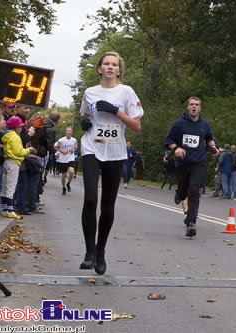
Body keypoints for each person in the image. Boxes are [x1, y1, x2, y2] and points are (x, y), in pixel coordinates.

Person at [78, 51, 143, 275]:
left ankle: (101, 250)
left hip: (115, 151)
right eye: (106, 63)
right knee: (90, 198)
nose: (110, 67)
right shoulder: (89, 92)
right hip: (91, 148)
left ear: (119, 70)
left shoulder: (126, 92)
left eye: (114, 64)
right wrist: (83, 122)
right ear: (99, 69)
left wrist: (115, 111)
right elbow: (85, 115)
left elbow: (136, 126)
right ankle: (89, 253)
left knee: (107, 205)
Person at [165, 97, 219, 237]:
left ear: (200, 108)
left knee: (194, 191)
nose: (194, 107)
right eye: (191, 104)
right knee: (183, 192)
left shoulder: (204, 124)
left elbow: (208, 137)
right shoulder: (178, 124)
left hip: (199, 163)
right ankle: (179, 193)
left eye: (197, 105)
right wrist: (176, 148)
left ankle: (191, 223)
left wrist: (212, 146)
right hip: (182, 163)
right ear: (188, 107)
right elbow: (169, 140)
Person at [0, 116, 34, 219]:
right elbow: (18, 151)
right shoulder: (15, 137)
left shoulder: (7, 136)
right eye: (19, 126)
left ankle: (4, 208)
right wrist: (28, 150)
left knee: (5, 185)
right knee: (11, 186)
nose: (20, 128)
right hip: (14, 162)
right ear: (16, 127)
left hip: (7, 161)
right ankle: (10, 210)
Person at [54, 126, 77, 195]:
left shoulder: (74, 140)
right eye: (68, 131)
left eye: (70, 131)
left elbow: (75, 147)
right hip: (62, 159)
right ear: (65, 132)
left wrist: (73, 150)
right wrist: (61, 151)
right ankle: (63, 187)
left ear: (72, 132)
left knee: (71, 171)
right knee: (64, 175)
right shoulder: (61, 140)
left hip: (70, 157)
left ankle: (68, 184)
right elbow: (55, 147)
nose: (69, 132)